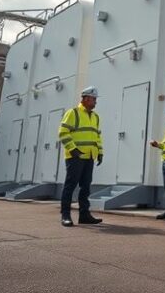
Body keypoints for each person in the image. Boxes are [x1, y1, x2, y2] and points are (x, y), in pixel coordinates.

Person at [58, 86, 104, 227]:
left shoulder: (95, 117)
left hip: (89, 156)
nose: (95, 102)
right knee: (70, 186)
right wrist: (73, 149)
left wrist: (100, 152)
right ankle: (65, 215)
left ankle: (84, 215)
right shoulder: (73, 113)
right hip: (75, 156)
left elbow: (97, 136)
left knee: (86, 187)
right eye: (93, 99)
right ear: (84, 98)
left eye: (95, 99)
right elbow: (63, 132)